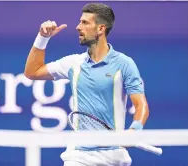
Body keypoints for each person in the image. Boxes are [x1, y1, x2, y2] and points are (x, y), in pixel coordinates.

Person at [24, 3, 149, 166]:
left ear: (100, 29)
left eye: (85, 23)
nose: (77, 27)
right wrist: (43, 37)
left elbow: (141, 105)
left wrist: (134, 131)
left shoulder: (124, 64)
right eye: (79, 22)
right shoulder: (73, 63)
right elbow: (32, 72)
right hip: (78, 156)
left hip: (114, 156)